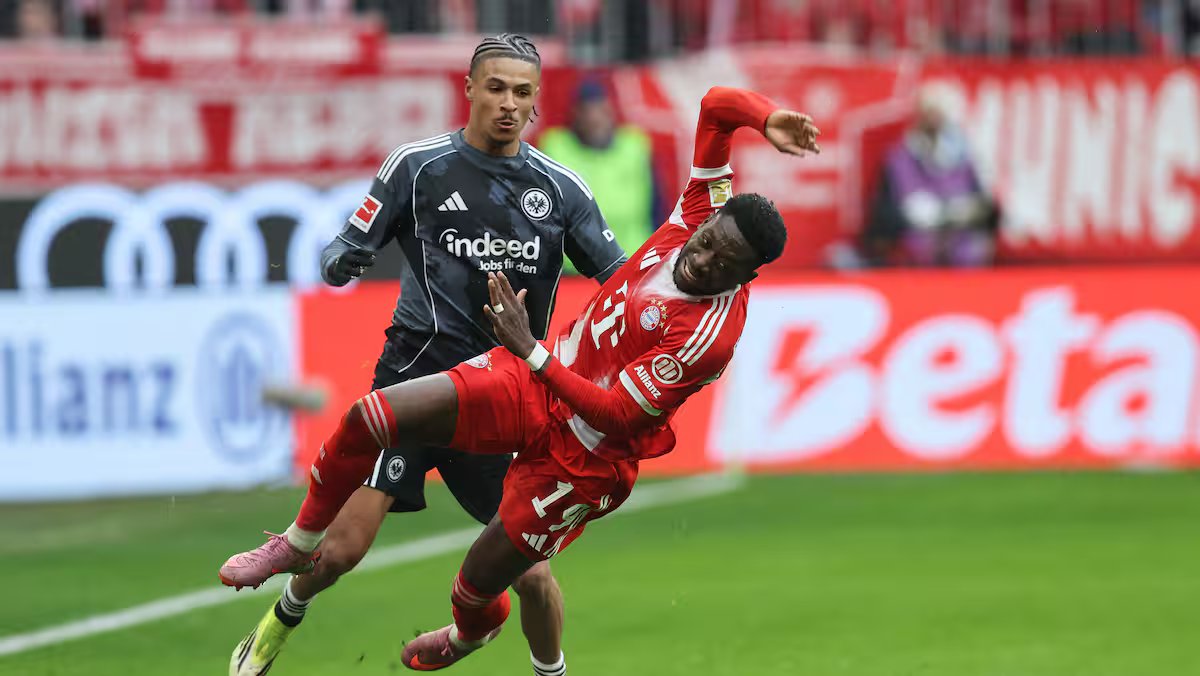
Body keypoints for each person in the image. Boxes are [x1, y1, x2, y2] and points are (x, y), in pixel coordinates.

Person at [218, 85, 820, 670]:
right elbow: (717, 107)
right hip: (529, 383)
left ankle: (472, 637)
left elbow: (616, 416)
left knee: (479, 587)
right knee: (369, 417)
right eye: (711, 241)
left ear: (746, 277)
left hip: (582, 461)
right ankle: (293, 547)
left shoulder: (707, 336)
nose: (705, 256)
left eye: (725, 263)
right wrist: (766, 119)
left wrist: (532, 351)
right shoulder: (699, 215)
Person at [222, 33, 627, 676]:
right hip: (415, 383)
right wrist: (343, 260)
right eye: (495, 87)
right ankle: (276, 624)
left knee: (531, 575)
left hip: (500, 401)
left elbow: (623, 284)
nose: (507, 103)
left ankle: (548, 669)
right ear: (468, 88)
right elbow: (342, 248)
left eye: (522, 93)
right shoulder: (418, 166)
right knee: (340, 552)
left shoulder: (561, 191)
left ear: (536, 104)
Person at [863, 83, 998, 267]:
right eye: (930, 113)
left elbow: (985, 208)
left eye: (939, 113)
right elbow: (882, 217)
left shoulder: (965, 156)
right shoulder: (899, 158)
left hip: (961, 255)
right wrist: (910, 216)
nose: (935, 120)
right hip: (915, 256)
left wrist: (963, 212)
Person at [537, 79, 658, 272]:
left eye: (601, 111)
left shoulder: (635, 146)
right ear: (575, 114)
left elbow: (657, 206)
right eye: (587, 112)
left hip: (631, 265)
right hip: (574, 270)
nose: (595, 119)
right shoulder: (555, 147)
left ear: (612, 112)